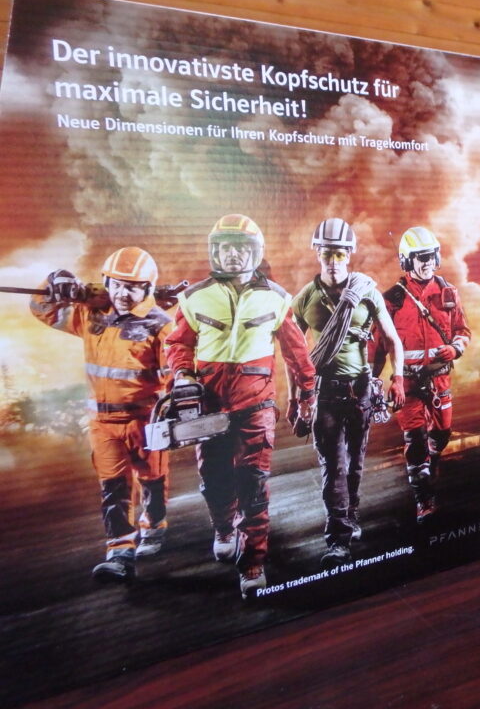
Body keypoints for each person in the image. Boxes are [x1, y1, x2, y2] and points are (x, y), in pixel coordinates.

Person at [165, 214, 316, 600]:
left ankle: (253, 562)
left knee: (254, 483)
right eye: (226, 248)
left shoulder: (277, 298)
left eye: (241, 248)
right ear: (215, 252)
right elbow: (178, 344)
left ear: (255, 252)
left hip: (256, 406)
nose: (233, 255)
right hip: (210, 408)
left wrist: (307, 394)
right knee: (213, 481)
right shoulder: (194, 298)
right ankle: (223, 527)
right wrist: (182, 375)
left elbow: (297, 353)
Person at [30, 247, 172, 582]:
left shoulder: (160, 325)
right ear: (105, 283)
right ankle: (120, 553)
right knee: (113, 487)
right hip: (103, 424)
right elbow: (42, 309)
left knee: (151, 478)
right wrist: (55, 281)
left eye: (132, 287)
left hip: (144, 421)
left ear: (148, 288)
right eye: (117, 284)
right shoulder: (90, 315)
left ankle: (154, 523)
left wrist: (175, 405)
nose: (123, 293)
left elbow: (173, 373)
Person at [291, 218, 405, 569]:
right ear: (317, 253)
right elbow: (294, 354)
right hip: (324, 392)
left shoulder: (366, 290)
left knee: (354, 464)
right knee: (334, 466)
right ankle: (338, 539)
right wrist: (296, 398)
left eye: (340, 253)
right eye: (327, 253)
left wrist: (398, 378)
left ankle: (350, 514)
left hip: (360, 390)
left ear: (350, 254)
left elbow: (392, 339)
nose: (333, 261)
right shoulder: (305, 299)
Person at [375, 227, 470, 522]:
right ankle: (424, 501)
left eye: (431, 256)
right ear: (407, 261)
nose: (428, 262)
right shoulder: (391, 300)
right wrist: (372, 381)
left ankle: (432, 457)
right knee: (415, 441)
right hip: (408, 383)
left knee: (442, 433)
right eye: (421, 257)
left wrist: (455, 349)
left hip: (440, 379)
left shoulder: (447, 292)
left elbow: (463, 330)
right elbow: (378, 346)